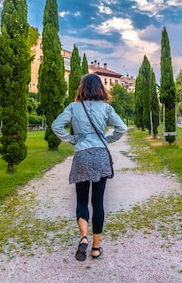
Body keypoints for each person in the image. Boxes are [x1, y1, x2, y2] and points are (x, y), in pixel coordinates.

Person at [51, 73, 127, 261]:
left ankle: (83, 236)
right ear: (100, 88)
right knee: (98, 202)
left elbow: (56, 126)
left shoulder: (73, 107)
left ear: (82, 88)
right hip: (100, 154)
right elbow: (122, 128)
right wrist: (107, 139)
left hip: (82, 155)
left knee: (81, 201)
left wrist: (72, 139)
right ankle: (95, 247)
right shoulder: (107, 108)